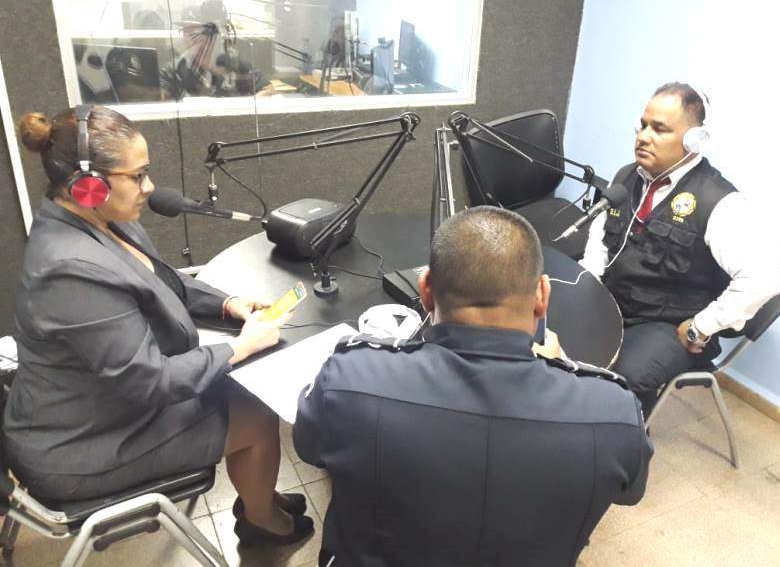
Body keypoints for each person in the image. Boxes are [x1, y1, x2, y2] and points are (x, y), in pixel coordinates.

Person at [3, 105, 313, 546]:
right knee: (257, 415)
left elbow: (164, 282)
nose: (149, 188)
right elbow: (150, 381)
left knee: (245, 395)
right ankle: (260, 520)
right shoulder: (69, 270)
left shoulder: (105, 222)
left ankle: (259, 495)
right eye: (137, 176)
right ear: (88, 186)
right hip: (80, 447)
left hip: (102, 410)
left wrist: (228, 305)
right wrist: (240, 347)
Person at [294, 206, 653, 567]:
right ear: (542, 295)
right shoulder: (615, 414)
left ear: (425, 290)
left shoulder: (349, 380)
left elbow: (309, 447)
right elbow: (630, 492)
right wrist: (562, 368)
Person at [580, 82, 780, 416]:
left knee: (624, 378)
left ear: (694, 140)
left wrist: (703, 326)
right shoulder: (627, 176)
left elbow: (765, 277)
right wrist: (587, 284)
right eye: (642, 125)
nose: (644, 137)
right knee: (555, 329)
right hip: (617, 300)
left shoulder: (719, 202)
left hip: (669, 324)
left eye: (659, 129)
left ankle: (623, 441)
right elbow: (601, 238)